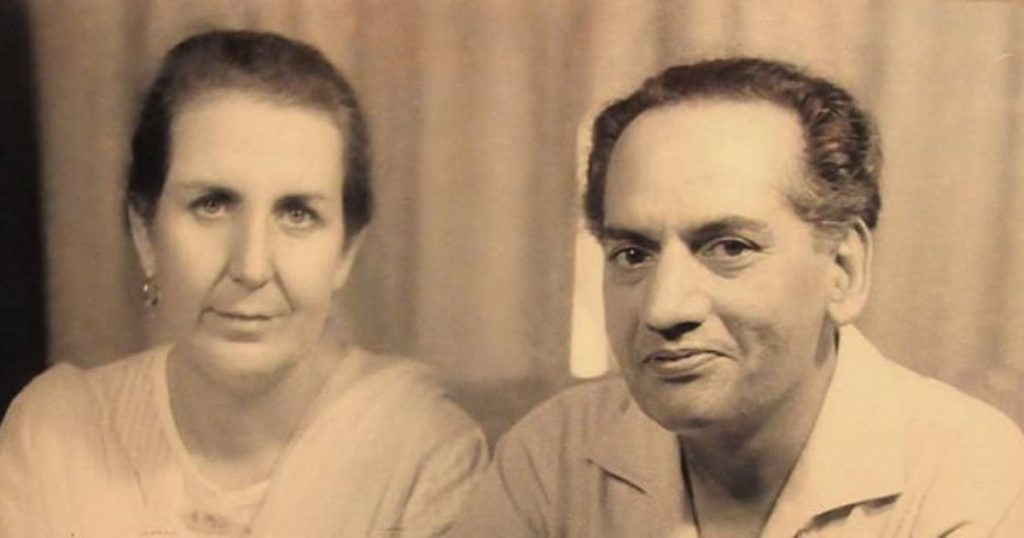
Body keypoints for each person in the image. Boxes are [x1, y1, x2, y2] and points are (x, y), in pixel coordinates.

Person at [452, 58, 1024, 537]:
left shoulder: (967, 473)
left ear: (843, 270)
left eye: (729, 247)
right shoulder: (552, 455)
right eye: (632, 254)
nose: (663, 308)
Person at [0, 30, 486, 537]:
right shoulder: (56, 438)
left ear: (345, 252)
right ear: (145, 233)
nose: (251, 267)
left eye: (297, 214)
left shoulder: (420, 456)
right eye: (211, 205)